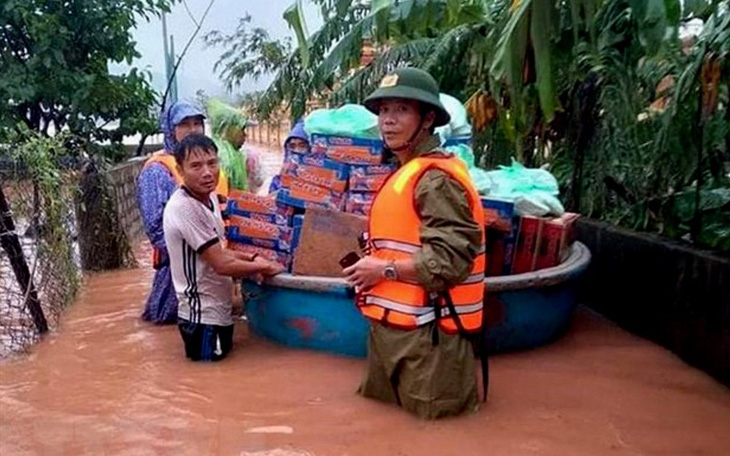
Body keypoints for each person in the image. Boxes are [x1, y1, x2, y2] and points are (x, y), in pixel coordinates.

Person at [343, 67, 487, 419]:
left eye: (402, 110)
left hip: (430, 340)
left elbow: (449, 262)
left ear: (428, 119)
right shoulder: (408, 170)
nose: (388, 121)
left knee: (435, 435)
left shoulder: (435, 179)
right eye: (384, 110)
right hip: (393, 332)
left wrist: (385, 269)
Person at [163, 134, 284, 361]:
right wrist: (263, 267)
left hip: (218, 312)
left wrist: (252, 257)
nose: (207, 172)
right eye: (196, 166)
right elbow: (220, 263)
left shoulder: (208, 200)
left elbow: (219, 250)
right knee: (207, 383)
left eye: (212, 163)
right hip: (201, 317)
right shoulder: (184, 208)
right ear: (180, 170)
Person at [137, 101, 229, 323]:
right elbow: (156, 228)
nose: (193, 129)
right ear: (170, 129)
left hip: (213, 262)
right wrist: (202, 252)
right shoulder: (157, 171)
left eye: (198, 123)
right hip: (180, 269)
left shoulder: (208, 165)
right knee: (176, 321)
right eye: (184, 124)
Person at [207, 98, 265, 193]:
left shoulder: (234, 154)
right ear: (230, 129)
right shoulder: (225, 157)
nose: (245, 135)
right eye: (241, 130)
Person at [268, 120, 310, 193]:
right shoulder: (279, 179)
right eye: (292, 146)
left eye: (302, 146)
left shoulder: (321, 178)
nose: (297, 150)